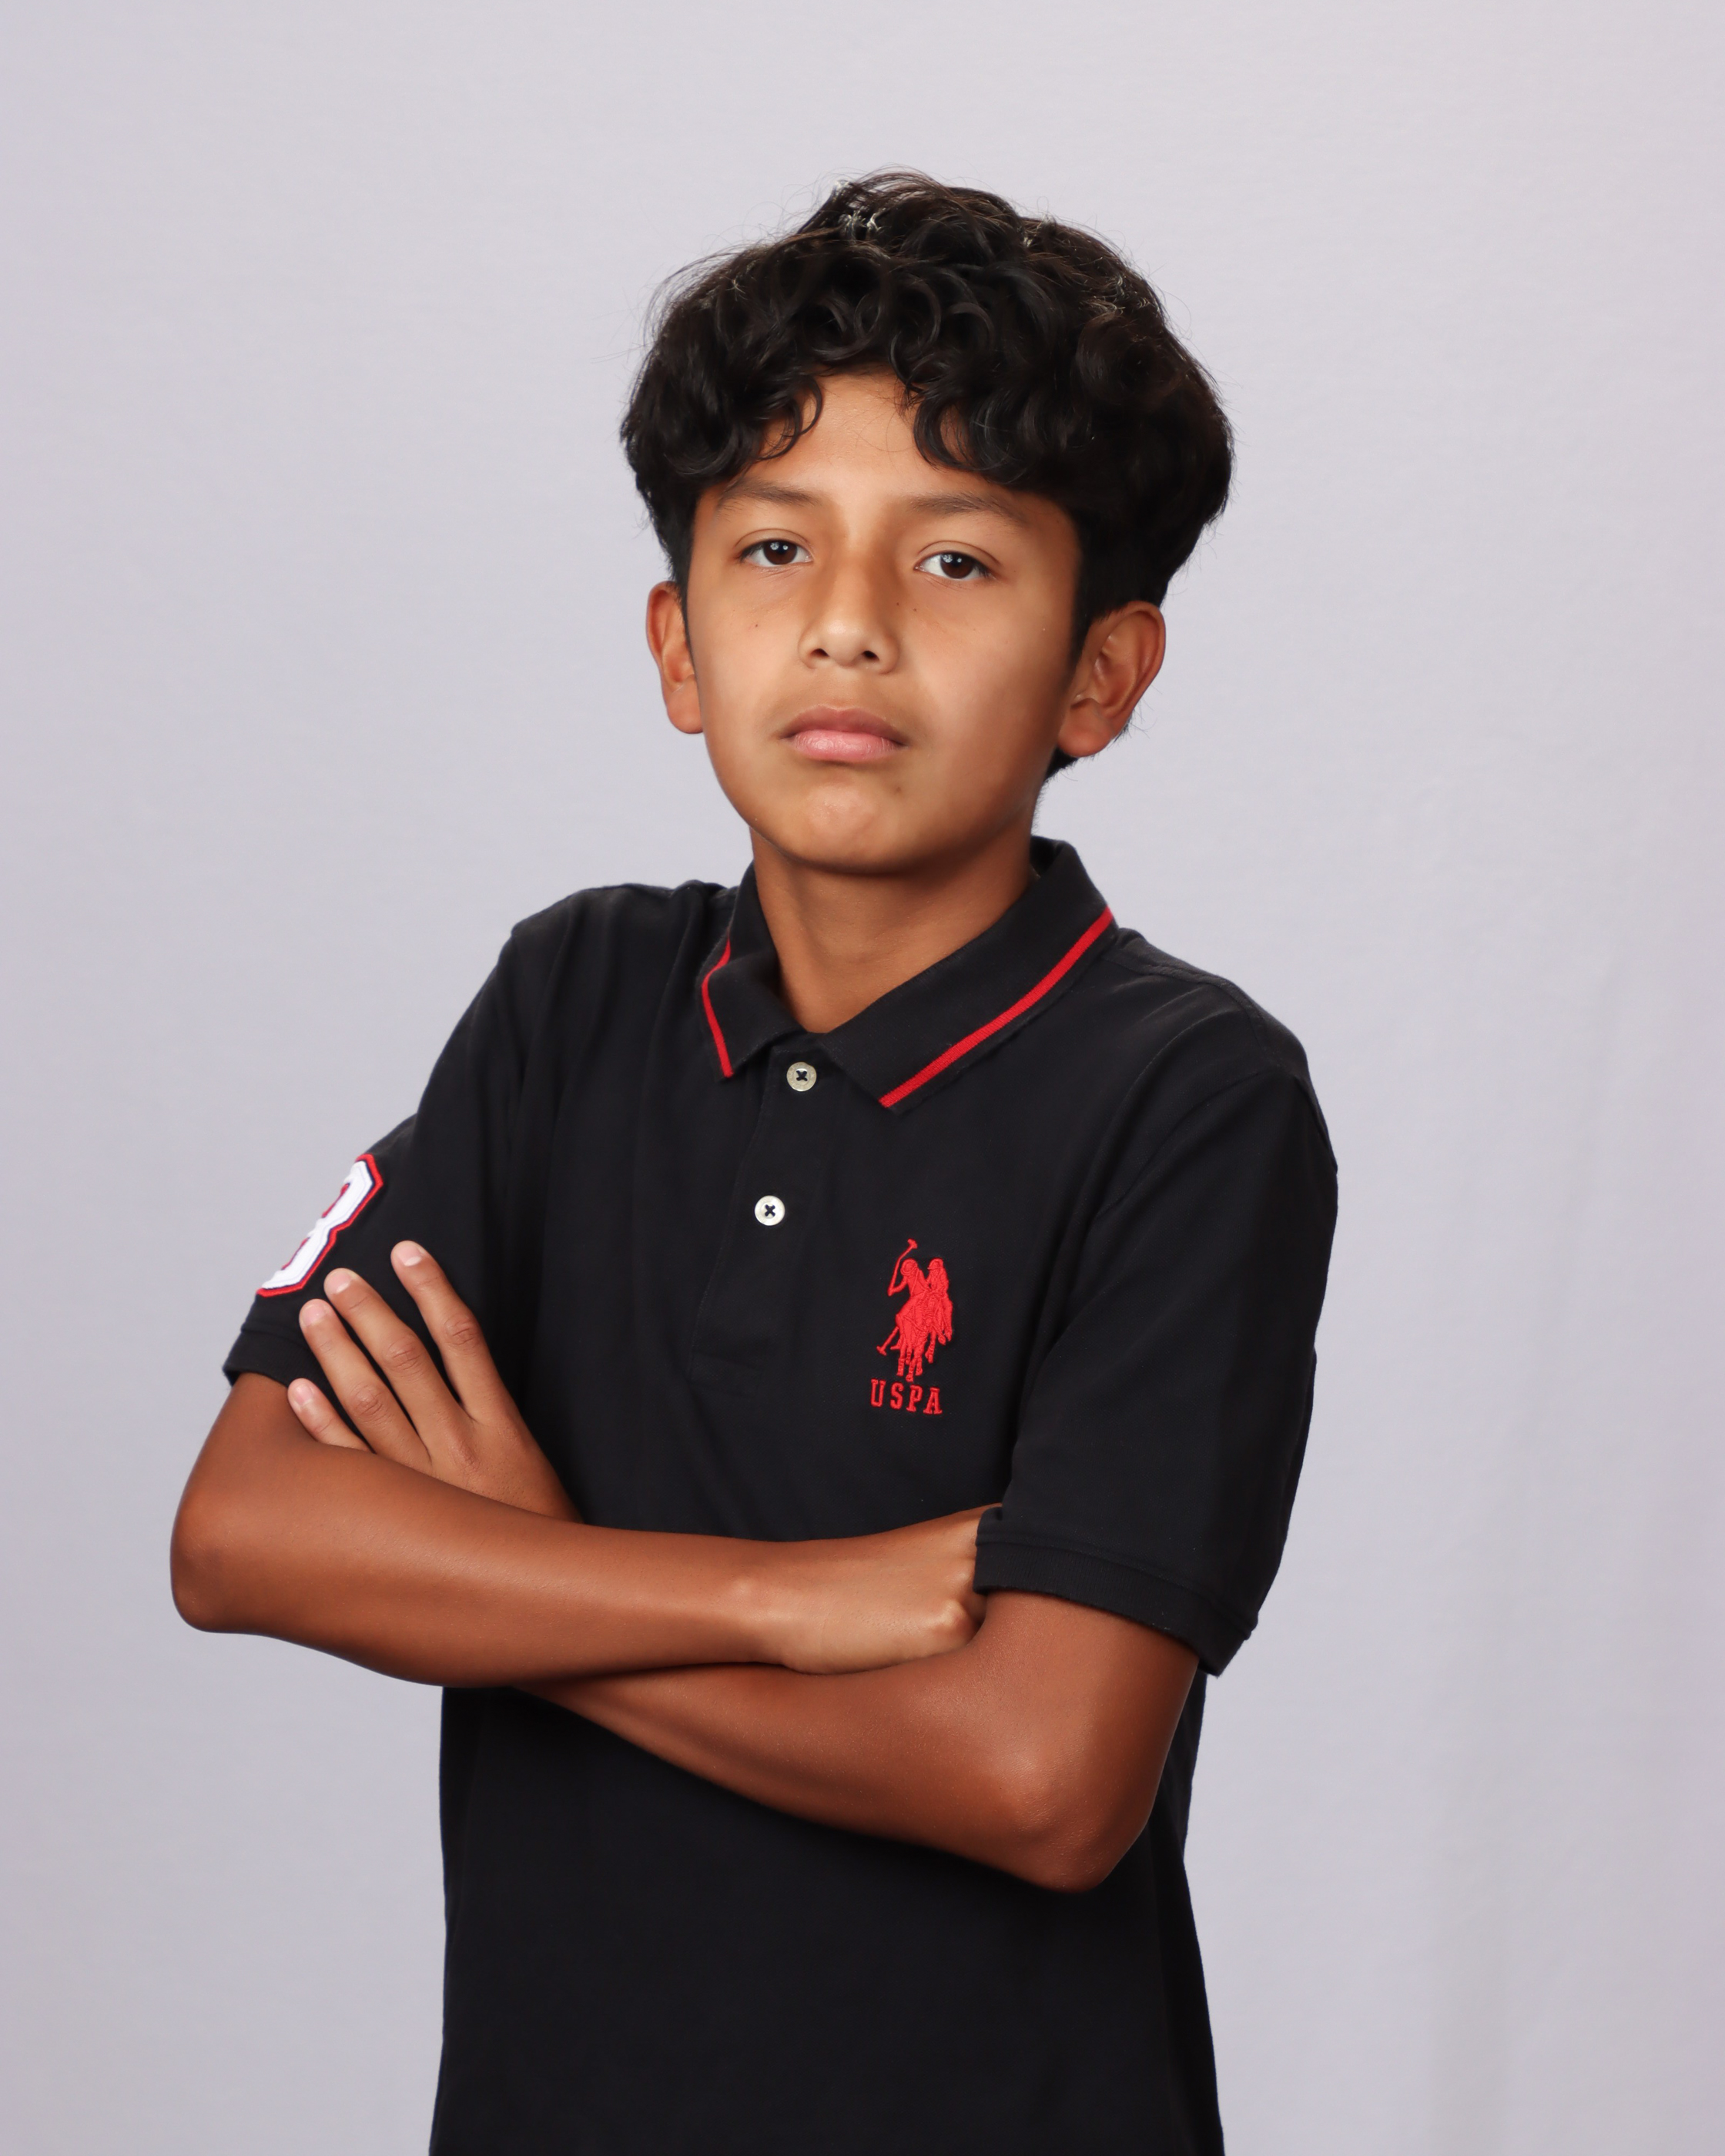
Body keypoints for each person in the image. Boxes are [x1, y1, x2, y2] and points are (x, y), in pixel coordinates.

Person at [171, 172, 1337, 2155]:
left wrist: (528, 1584)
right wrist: (785, 1603)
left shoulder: (1186, 1096)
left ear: (1103, 673)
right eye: (776, 547)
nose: (849, 625)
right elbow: (245, 1535)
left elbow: (1046, 1780)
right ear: (680, 644)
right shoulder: (572, 1001)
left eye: (955, 560)